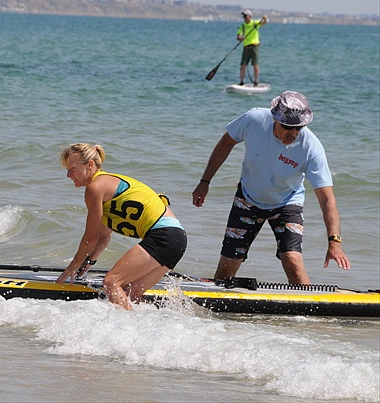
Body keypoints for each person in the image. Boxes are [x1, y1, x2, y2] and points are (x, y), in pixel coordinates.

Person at [191, 91, 350, 284]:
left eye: (299, 127)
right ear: (275, 118)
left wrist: (334, 242)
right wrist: (205, 181)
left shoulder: (311, 148)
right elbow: (226, 142)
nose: (293, 133)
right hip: (248, 199)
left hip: (287, 203)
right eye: (287, 127)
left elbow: (327, 199)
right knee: (227, 268)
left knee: (293, 261)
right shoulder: (254, 120)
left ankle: (307, 303)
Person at [56, 143, 187, 309]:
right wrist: (88, 263)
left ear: (90, 165)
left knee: (112, 282)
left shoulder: (95, 188)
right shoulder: (108, 183)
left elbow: (91, 237)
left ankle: (124, 325)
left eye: (72, 169)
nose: (68, 175)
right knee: (130, 293)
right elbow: (104, 235)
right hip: (177, 239)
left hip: (164, 235)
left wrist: (74, 265)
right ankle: (157, 323)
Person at [237, 10, 267, 86]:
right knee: (243, 66)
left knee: (255, 65)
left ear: (250, 16)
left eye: (246, 16)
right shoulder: (242, 26)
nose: (244, 18)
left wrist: (265, 18)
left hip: (255, 47)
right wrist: (241, 38)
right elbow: (238, 36)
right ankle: (241, 82)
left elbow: (264, 23)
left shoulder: (255, 23)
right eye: (243, 16)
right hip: (246, 47)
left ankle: (256, 81)